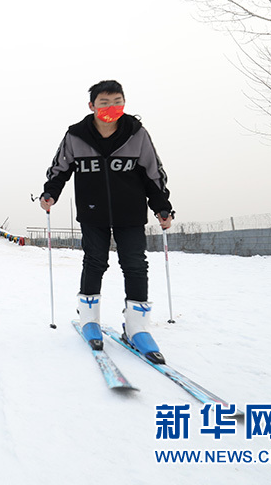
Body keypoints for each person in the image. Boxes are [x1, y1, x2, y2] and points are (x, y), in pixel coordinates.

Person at [40, 80, 173, 363]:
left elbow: (153, 173)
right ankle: (89, 320)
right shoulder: (76, 135)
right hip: (93, 212)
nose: (111, 108)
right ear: (92, 106)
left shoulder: (137, 134)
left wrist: (162, 207)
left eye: (117, 101)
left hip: (130, 212)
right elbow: (60, 168)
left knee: (135, 263)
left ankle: (136, 327)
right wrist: (50, 193)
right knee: (95, 261)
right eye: (104, 102)